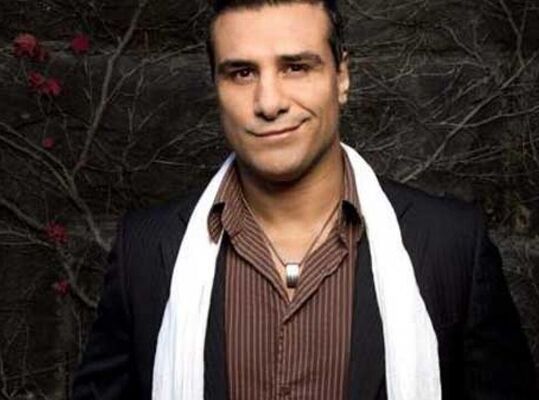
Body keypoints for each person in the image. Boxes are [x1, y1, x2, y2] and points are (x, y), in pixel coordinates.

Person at [72, 1, 537, 399]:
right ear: (216, 87)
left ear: (342, 76)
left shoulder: (450, 244)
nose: (269, 102)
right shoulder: (145, 250)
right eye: (241, 72)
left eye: (295, 67)